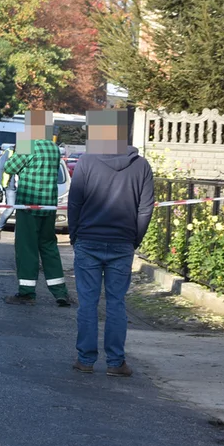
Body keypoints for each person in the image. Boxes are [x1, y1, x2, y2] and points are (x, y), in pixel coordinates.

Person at [68, 109, 154, 378]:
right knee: (116, 302)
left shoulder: (86, 163)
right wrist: (134, 239)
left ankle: (86, 359)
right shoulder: (141, 166)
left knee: (88, 302)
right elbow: (145, 209)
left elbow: (75, 203)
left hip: (89, 240)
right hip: (122, 243)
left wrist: (75, 234)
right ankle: (116, 363)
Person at [2, 109, 71, 306]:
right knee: (49, 247)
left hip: (28, 205)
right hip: (48, 207)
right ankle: (60, 292)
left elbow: (9, 168)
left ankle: (27, 292)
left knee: (27, 248)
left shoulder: (27, 145)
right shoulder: (53, 148)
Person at [0, 160, 17, 242]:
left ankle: (18, 236)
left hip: (24, 187)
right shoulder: (9, 152)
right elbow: (0, 168)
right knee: (10, 209)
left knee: (21, 212)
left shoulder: (28, 150)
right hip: (11, 187)